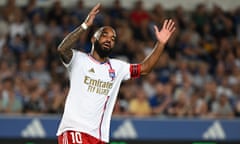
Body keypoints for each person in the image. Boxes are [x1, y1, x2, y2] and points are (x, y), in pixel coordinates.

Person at [56, 3, 175, 144]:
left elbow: (145, 68)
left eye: (113, 39)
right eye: (104, 35)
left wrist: (160, 44)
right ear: (94, 39)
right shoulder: (78, 59)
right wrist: (85, 26)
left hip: (99, 137)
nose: (109, 40)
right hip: (74, 131)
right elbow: (62, 49)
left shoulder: (117, 67)